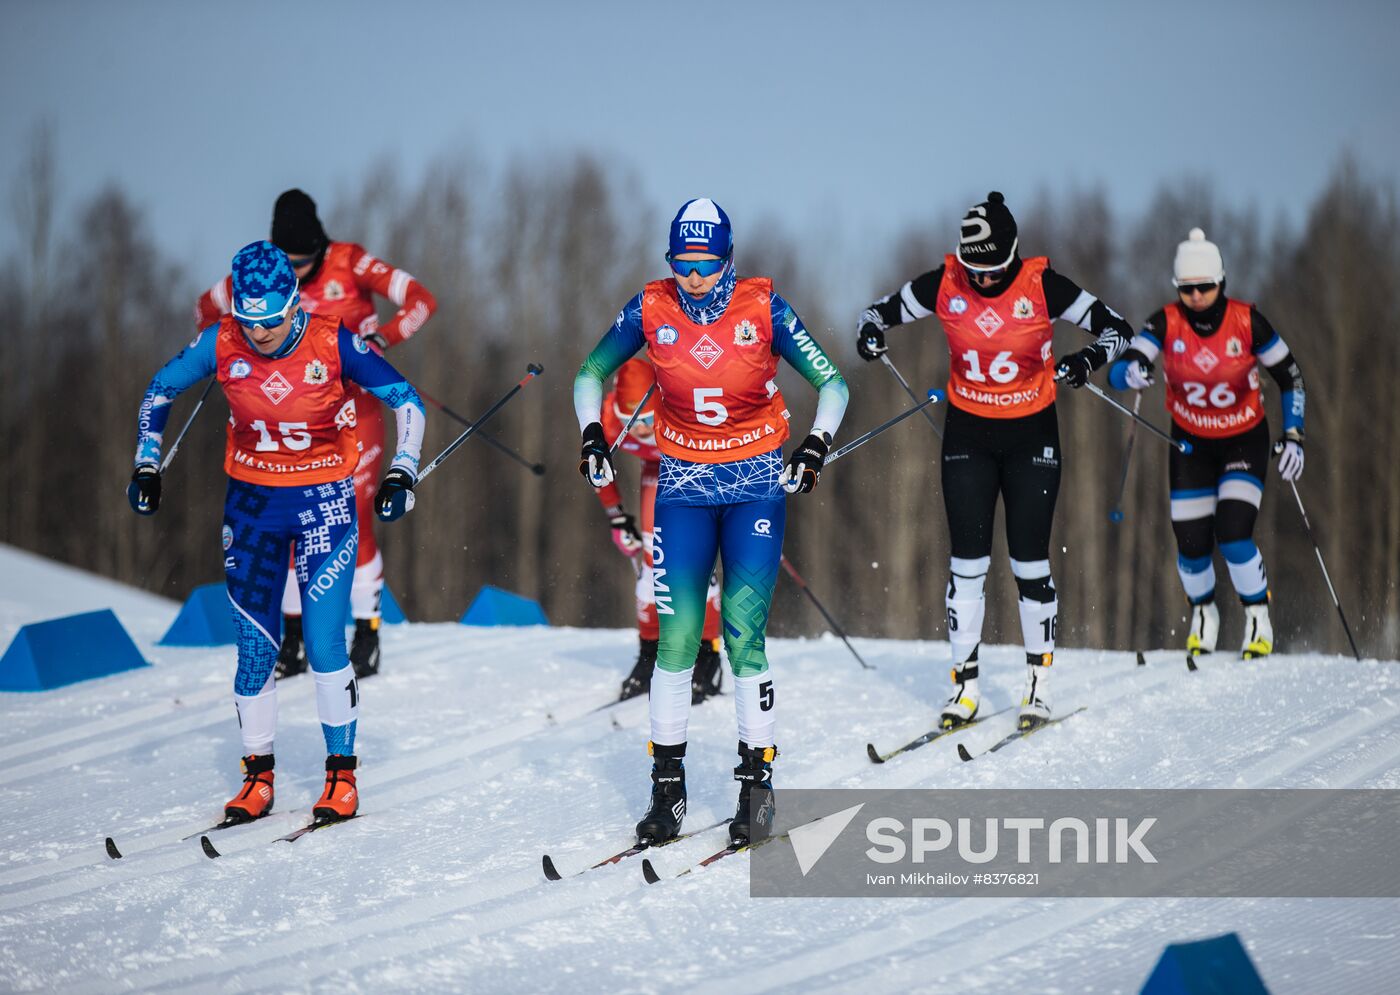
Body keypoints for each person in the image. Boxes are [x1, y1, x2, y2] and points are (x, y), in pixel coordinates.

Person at [574, 198, 848, 847]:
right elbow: (590, 372)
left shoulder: (764, 307)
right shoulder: (650, 307)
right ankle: (666, 791)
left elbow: (833, 382)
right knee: (678, 639)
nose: (693, 279)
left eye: (705, 265)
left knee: (744, 634)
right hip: (684, 488)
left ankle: (758, 788)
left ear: (727, 259)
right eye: (682, 264)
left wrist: (815, 446)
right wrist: (592, 435)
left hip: (754, 486)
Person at [131, 240, 426, 824]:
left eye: (269, 321)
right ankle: (257, 778)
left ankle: (341, 777)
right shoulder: (223, 341)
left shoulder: (332, 340)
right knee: (253, 652)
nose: (259, 333)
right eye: (249, 320)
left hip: (323, 504)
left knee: (322, 645)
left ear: (293, 302)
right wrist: (146, 461)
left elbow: (408, 402)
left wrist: (402, 470)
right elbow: (159, 391)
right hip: (252, 507)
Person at [856, 191, 1133, 732]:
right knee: (967, 566)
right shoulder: (946, 282)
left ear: (1011, 256)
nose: (981, 280)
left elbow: (1116, 328)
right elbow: (877, 312)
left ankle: (1038, 683)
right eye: (973, 268)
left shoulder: (1042, 284)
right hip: (969, 432)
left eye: (992, 270)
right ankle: (964, 685)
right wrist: (871, 333)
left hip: (1032, 433)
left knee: (1029, 560)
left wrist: (1086, 360)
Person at [196, 189, 437, 680]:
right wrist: (229, 342)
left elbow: (421, 300)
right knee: (287, 529)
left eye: (305, 261)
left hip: (357, 409)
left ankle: (367, 631)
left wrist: (383, 338)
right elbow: (205, 307)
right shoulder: (263, 269)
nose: (297, 271)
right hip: (289, 419)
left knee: (356, 516)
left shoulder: (351, 262)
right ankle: (291, 638)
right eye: (290, 262)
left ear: (319, 247)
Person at [1109, 228, 1305, 660]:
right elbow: (1121, 368)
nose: (1196, 296)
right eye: (1187, 288)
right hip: (1191, 445)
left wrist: (1294, 435)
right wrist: (1133, 371)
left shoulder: (1247, 321)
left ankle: (1257, 616)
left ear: (1221, 282)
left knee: (1233, 532)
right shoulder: (1166, 322)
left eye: (1204, 287)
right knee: (1192, 543)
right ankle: (1204, 613)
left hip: (1243, 440)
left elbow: (1289, 375)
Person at [595, 357, 726, 703]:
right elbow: (598, 471)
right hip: (656, 469)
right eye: (630, 422)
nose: (638, 429)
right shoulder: (608, 418)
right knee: (654, 563)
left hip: (697, 467)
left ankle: (707, 654)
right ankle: (650, 651)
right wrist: (617, 517)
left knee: (694, 563)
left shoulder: (681, 405)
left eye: (647, 420)